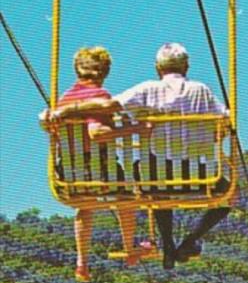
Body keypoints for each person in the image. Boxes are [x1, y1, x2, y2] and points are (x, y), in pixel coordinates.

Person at [52, 43, 232, 269]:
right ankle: (188, 242)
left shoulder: (147, 89)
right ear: (186, 67)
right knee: (228, 197)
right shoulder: (202, 90)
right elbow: (226, 119)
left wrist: (65, 110)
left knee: (152, 180)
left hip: (154, 179)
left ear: (158, 68)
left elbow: (110, 105)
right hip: (200, 177)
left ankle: (167, 244)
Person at [40, 47, 139, 283]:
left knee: (85, 207)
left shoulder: (63, 99)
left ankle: (82, 262)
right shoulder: (100, 96)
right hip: (101, 170)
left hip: (70, 174)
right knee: (128, 199)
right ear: (104, 72)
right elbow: (96, 132)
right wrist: (132, 130)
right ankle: (129, 247)